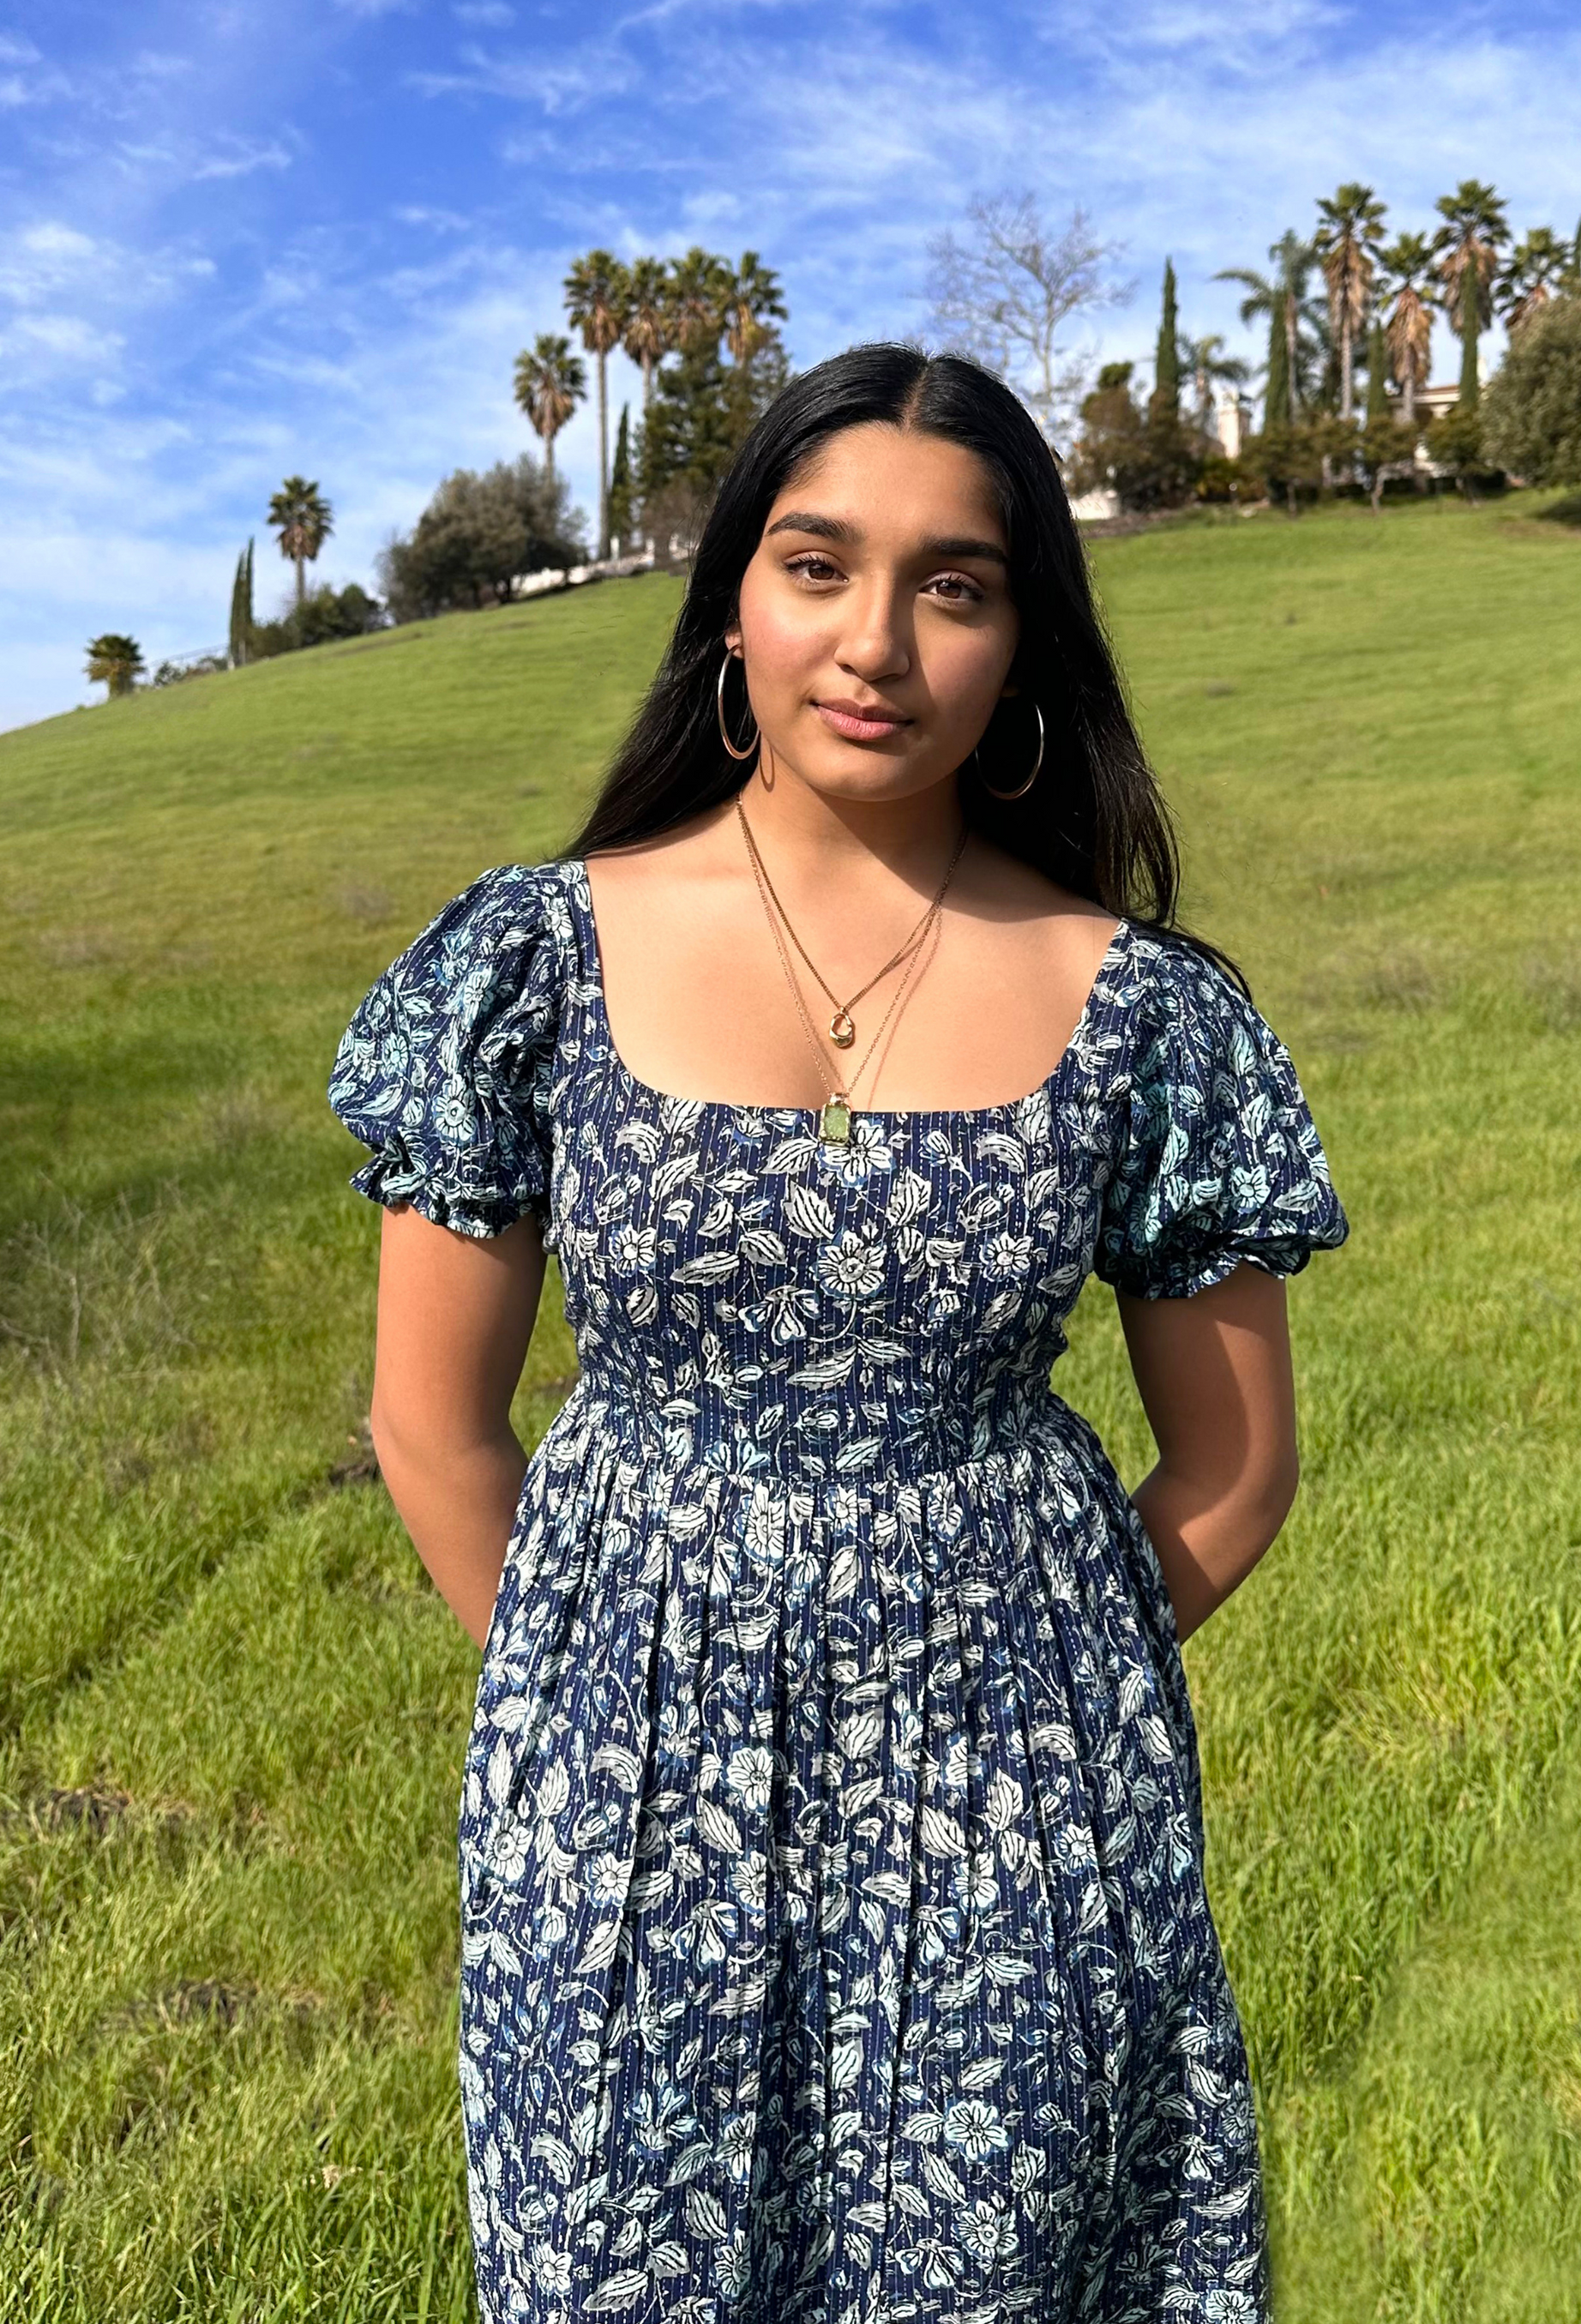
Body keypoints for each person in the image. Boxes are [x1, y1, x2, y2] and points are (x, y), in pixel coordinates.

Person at [327, 340, 1350, 2322]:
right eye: (817, 564)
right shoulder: (530, 959)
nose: (874, 640)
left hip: (1016, 1829)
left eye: (952, 585)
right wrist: (601, 1721)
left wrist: (1026, 1728)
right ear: (731, 599)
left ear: (1019, 639)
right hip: (621, 1830)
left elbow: (1235, 1466)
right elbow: (430, 1423)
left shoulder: (1145, 1014)